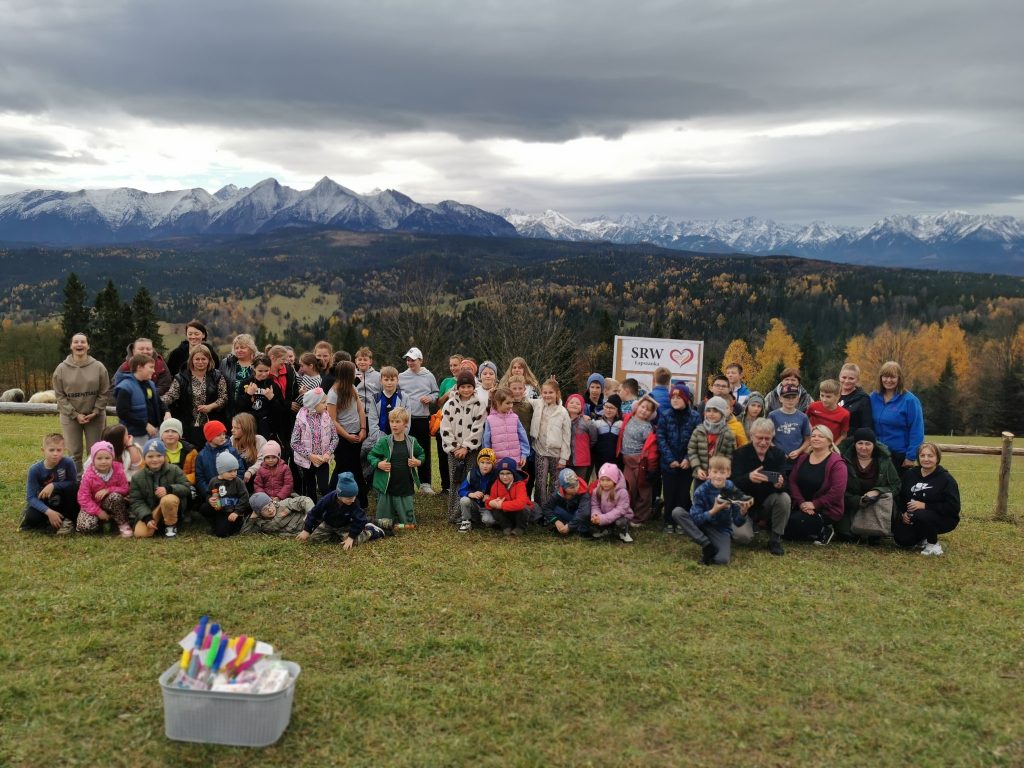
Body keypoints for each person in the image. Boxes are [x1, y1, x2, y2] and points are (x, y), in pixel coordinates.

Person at [673, 455, 753, 565]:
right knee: (677, 512)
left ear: (728, 473)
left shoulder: (731, 488)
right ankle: (706, 545)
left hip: (721, 530)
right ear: (709, 473)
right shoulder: (700, 491)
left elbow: (737, 522)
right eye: (715, 472)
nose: (718, 476)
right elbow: (695, 519)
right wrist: (713, 511)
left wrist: (743, 512)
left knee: (722, 560)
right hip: (702, 525)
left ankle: (713, 544)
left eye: (722, 472)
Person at [729, 418, 789, 556]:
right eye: (759, 438)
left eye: (767, 438)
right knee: (743, 538)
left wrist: (780, 483)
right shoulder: (739, 454)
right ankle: (741, 524)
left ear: (772, 437)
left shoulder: (779, 454)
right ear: (751, 436)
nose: (763, 442)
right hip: (743, 504)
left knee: (784, 498)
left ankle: (775, 538)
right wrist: (748, 478)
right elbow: (730, 483)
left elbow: (785, 482)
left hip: (765, 504)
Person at [53, 332, 111, 472]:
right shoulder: (61, 369)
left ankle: (95, 480)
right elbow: (60, 395)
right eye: (76, 342)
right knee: (74, 452)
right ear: (71, 346)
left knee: (96, 452)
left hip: (95, 416)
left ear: (88, 346)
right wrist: (74, 414)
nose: (79, 344)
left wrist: (96, 411)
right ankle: (77, 483)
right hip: (70, 417)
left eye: (83, 342)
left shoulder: (98, 367)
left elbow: (104, 391)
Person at [785, 425, 848, 545]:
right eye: (813, 436)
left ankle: (825, 530)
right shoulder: (803, 458)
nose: (816, 438)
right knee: (775, 523)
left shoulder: (837, 463)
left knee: (791, 528)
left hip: (825, 509)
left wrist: (815, 504)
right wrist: (802, 503)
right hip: (801, 506)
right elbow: (792, 481)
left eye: (820, 436)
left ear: (829, 441)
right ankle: (810, 530)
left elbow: (837, 491)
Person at [893, 443, 960, 556]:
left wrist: (925, 506)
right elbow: (901, 497)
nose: (926, 459)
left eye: (930, 456)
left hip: (943, 518)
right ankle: (923, 536)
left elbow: (953, 507)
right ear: (918, 458)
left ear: (937, 457)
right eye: (922, 455)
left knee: (921, 514)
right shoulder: (910, 474)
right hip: (913, 517)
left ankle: (933, 543)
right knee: (902, 539)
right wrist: (903, 512)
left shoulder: (946, 479)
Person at [441, 370, 488, 521]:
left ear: (473, 387)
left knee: (470, 481)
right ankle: (454, 515)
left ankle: (469, 514)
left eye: (469, 386)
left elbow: (478, 428)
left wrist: (466, 447)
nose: (466, 390)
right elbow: (445, 428)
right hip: (454, 452)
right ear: (458, 387)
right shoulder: (449, 404)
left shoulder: (479, 404)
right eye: (463, 386)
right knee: (455, 481)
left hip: (471, 451)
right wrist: (455, 447)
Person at [840, 427, 901, 541]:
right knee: (846, 536)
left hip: (877, 505)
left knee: (874, 537)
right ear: (854, 444)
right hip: (850, 504)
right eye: (860, 443)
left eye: (868, 444)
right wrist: (858, 500)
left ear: (874, 445)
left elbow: (896, 485)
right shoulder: (843, 460)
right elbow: (838, 489)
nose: (863, 447)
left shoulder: (884, 460)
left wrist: (877, 491)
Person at [161, 344, 228, 448]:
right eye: (197, 359)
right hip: (188, 426)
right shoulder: (181, 378)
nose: (200, 362)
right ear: (191, 360)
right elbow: (170, 396)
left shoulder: (217, 376)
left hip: (212, 425)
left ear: (209, 360)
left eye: (203, 359)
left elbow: (223, 397)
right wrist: (160, 404)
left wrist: (211, 407)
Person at [368, 407, 425, 528]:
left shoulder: (412, 441)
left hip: (405, 486)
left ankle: (402, 517)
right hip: (386, 487)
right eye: (392, 422)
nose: (394, 425)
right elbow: (371, 455)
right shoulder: (384, 441)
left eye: (398, 422)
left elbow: (422, 454)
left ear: (405, 423)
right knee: (382, 523)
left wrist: (418, 462)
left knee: (409, 524)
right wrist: (378, 464)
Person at [297, 472, 387, 548]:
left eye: (354, 496)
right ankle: (335, 535)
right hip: (328, 524)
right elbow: (314, 512)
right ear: (339, 495)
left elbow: (360, 519)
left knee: (353, 542)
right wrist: (307, 530)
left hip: (345, 525)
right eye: (349, 498)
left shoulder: (354, 502)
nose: (352, 500)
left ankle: (371, 530)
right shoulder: (327, 499)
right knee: (314, 540)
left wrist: (351, 537)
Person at [656, 384, 701, 533]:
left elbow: (697, 439)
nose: (675, 400)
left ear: (686, 399)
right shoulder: (665, 414)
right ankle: (668, 520)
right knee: (669, 492)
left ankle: (682, 521)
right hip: (669, 463)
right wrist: (670, 459)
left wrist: (688, 459)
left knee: (683, 493)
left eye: (679, 397)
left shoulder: (695, 416)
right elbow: (661, 437)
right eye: (673, 397)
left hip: (687, 464)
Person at [870, 360, 925, 473]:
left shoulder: (910, 401)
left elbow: (917, 430)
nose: (888, 380)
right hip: (876, 453)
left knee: (896, 489)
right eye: (885, 376)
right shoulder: (873, 397)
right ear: (880, 378)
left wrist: (911, 456)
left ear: (899, 379)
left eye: (892, 377)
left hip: (899, 455)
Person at [129, 438, 189, 538]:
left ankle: (170, 526)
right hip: (152, 510)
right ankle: (157, 523)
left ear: (164, 456)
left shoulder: (174, 470)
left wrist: (169, 489)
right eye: (150, 456)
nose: (155, 459)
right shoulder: (137, 477)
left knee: (168, 499)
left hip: (170, 506)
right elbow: (136, 500)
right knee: (140, 534)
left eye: (159, 455)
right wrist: (147, 518)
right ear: (144, 458)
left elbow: (186, 488)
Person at [327, 361, 368, 506]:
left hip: (356, 434)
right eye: (354, 371)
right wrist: (347, 436)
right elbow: (332, 420)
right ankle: (332, 498)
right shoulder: (333, 394)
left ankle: (360, 500)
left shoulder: (352, 388)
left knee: (356, 466)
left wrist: (363, 429)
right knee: (343, 468)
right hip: (343, 438)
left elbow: (360, 410)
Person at [398, 347, 439, 494]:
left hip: (422, 418)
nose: (410, 363)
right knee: (403, 451)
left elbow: (436, 393)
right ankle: (405, 482)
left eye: (413, 360)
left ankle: (425, 484)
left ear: (420, 360)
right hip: (405, 419)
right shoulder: (401, 376)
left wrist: (430, 398)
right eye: (408, 360)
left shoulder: (429, 376)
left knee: (423, 451)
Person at [527, 378, 571, 512]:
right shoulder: (538, 404)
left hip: (556, 453)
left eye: (550, 392)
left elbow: (566, 437)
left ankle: (553, 509)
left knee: (555, 483)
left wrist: (564, 458)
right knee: (540, 482)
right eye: (544, 392)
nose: (547, 395)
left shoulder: (562, 411)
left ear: (557, 393)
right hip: (540, 450)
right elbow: (522, 399)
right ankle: (540, 509)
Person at [21, 433, 79, 534]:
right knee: (31, 517)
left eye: (59, 450)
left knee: (75, 488)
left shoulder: (68, 462)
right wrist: (48, 511)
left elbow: (73, 483)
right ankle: (52, 519)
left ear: (64, 450)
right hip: (46, 501)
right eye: (51, 450)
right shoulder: (34, 469)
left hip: (64, 498)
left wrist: (53, 485)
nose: (55, 453)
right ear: (43, 450)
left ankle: (68, 520)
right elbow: (31, 497)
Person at [75, 440, 132, 536]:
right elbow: (83, 498)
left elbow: (125, 489)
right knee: (84, 527)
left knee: (115, 497)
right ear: (93, 459)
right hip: (93, 505)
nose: (103, 461)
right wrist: (98, 512)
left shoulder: (118, 469)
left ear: (112, 458)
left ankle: (123, 523)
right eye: (99, 458)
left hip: (110, 502)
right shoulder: (88, 476)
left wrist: (108, 490)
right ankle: (103, 521)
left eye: (107, 458)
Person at [617, 394, 659, 524]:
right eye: (643, 406)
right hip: (626, 461)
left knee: (643, 489)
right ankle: (628, 513)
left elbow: (651, 448)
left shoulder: (647, 427)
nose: (644, 410)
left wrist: (651, 466)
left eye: (648, 409)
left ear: (651, 413)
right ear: (637, 406)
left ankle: (640, 517)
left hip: (639, 462)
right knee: (629, 488)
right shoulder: (628, 418)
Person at [291, 388, 338, 501]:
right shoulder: (301, 419)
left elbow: (335, 438)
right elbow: (294, 442)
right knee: (310, 488)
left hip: (323, 460)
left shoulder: (327, 417)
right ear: (313, 404)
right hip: (307, 462)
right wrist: (310, 456)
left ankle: (329, 511)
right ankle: (313, 512)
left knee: (324, 488)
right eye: (323, 402)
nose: (326, 405)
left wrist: (328, 453)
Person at [114, 353, 165, 446]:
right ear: (139, 367)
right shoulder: (125, 387)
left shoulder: (151, 384)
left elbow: (159, 403)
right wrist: (145, 425)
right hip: (135, 435)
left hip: (154, 433)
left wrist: (167, 412)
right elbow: (122, 413)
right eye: (151, 367)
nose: (153, 371)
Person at [236, 353, 286, 444]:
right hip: (249, 428)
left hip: (267, 429)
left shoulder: (273, 386)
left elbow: (281, 410)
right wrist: (248, 395)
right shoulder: (245, 384)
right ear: (254, 368)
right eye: (260, 371)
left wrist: (272, 398)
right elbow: (238, 408)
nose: (263, 374)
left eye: (266, 371)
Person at [198, 450, 250, 538]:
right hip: (220, 510)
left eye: (235, 470)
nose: (233, 474)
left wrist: (237, 512)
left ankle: (237, 523)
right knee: (204, 508)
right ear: (221, 471)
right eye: (230, 471)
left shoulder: (238, 481)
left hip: (233, 511)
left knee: (222, 534)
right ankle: (215, 523)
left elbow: (245, 497)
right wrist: (210, 499)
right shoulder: (213, 481)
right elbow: (208, 494)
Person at [687, 396, 737, 485]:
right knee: (699, 497)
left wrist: (719, 472)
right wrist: (698, 468)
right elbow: (692, 451)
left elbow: (730, 456)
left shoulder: (728, 433)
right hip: (700, 476)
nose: (711, 414)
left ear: (722, 413)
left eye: (715, 411)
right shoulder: (698, 431)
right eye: (708, 410)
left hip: (719, 478)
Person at [435, 354, 463, 494]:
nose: (452, 368)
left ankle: (459, 485)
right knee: (442, 455)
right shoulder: (446, 381)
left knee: (458, 455)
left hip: (461, 424)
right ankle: (446, 486)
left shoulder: (467, 381)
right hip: (444, 423)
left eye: (455, 365)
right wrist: (448, 393)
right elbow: (438, 403)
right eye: (451, 365)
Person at [194, 420, 245, 500]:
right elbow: (200, 478)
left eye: (223, 434)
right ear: (210, 437)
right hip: (213, 495)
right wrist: (210, 493)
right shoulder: (202, 456)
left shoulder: (232, 451)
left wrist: (233, 488)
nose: (222, 437)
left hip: (233, 493)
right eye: (218, 435)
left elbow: (240, 470)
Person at [484, 457, 532, 536]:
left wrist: (502, 505)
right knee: (495, 510)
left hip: (518, 513)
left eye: (508, 473)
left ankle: (520, 527)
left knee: (524, 508)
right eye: (502, 473)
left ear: (514, 473)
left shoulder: (520, 484)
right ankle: (506, 526)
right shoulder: (495, 484)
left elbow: (521, 503)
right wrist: (490, 502)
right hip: (505, 513)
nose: (505, 477)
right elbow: (490, 500)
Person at [768, 383, 811, 469]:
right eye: (787, 397)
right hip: (777, 460)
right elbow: (767, 439)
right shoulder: (773, 415)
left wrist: (799, 451)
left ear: (798, 399)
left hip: (796, 462)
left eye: (793, 397)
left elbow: (808, 440)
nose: (790, 400)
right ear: (780, 398)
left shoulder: (803, 417)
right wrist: (778, 452)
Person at [588, 463, 634, 542]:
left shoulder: (622, 492)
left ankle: (623, 532)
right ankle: (605, 530)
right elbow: (595, 506)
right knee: (591, 519)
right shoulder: (597, 491)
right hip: (604, 516)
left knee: (620, 522)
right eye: (602, 480)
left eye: (608, 480)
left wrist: (603, 518)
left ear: (615, 479)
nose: (605, 483)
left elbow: (620, 510)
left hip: (620, 516)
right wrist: (596, 516)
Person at [456, 448, 499, 531]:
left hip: (488, 506)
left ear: (493, 464)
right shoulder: (472, 474)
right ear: (478, 463)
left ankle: (482, 519)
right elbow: (461, 490)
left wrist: (490, 498)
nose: (485, 466)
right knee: (464, 500)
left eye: (488, 463)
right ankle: (466, 521)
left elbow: (500, 493)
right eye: (482, 462)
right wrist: (471, 494)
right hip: (475, 504)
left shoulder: (496, 475)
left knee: (489, 521)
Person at [218, 333, 259, 418]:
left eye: (243, 347)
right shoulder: (226, 363)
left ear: (251, 349)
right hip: (231, 410)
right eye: (236, 348)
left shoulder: (258, 364)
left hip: (254, 410)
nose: (239, 350)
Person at [541, 467, 591, 536]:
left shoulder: (584, 493)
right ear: (563, 487)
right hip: (568, 517)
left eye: (576, 484)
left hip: (579, 518)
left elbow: (584, 513)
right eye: (571, 487)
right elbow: (545, 507)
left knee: (582, 512)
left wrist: (570, 526)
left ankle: (582, 531)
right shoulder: (558, 494)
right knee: (555, 508)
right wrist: (556, 521)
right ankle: (563, 527)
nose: (575, 488)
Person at [241, 491, 311, 537]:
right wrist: (252, 518)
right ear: (259, 513)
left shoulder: (283, 504)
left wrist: (310, 517)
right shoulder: (260, 522)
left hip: (309, 524)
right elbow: (244, 533)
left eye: (270, 504)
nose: (270, 510)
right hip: (298, 533)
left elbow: (305, 500)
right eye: (265, 509)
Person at [807, 379, 850, 446]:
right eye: (822, 395)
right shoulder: (813, 406)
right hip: (811, 445)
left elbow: (843, 435)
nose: (824, 399)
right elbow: (805, 421)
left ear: (838, 396)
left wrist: (833, 447)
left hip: (829, 449)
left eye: (828, 396)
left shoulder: (844, 414)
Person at [564, 394, 596, 479]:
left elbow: (593, 439)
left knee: (580, 485)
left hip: (581, 461)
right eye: (571, 402)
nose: (574, 405)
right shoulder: (562, 420)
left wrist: (584, 448)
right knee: (567, 486)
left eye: (578, 404)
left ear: (582, 407)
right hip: (565, 460)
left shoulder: (587, 422)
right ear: (566, 404)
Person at [837, 363, 875, 434]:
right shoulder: (832, 395)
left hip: (851, 442)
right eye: (844, 377)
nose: (846, 381)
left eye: (851, 378)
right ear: (839, 377)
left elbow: (867, 426)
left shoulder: (863, 398)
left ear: (857, 380)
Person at [159, 418, 198, 487]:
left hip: (186, 486)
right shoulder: (155, 451)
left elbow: (196, 473)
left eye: (174, 431)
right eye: (166, 431)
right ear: (161, 435)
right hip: (163, 488)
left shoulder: (191, 451)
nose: (170, 434)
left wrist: (180, 481)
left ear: (180, 434)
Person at [230, 413, 267, 486]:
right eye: (232, 427)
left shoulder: (259, 440)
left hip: (259, 480)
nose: (232, 430)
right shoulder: (231, 440)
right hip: (239, 481)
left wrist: (250, 471)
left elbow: (263, 460)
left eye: (237, 428)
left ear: (246, 429)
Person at [592, 396, 623, 473]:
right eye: (606, 407)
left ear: (617, 410)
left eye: (612, 408)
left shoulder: (621, 424)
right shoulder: (596, 423)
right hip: (600, 461)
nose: (608, 410)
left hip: (617, 462)